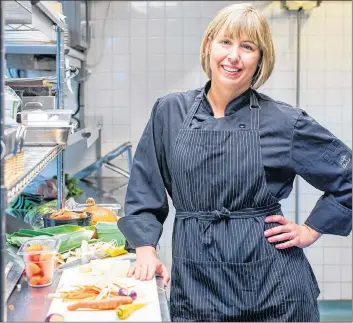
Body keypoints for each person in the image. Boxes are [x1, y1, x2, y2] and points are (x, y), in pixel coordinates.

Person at [118, 3, 352, 322]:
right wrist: (145, 247)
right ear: (209, 45)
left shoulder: (285, 121)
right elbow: (145, 187)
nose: (233, 56)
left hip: (274, 290)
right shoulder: (169, 112)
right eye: (226, 42)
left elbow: (347, 176)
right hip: (197, 284)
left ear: (260, 58)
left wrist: (311, 229)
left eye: (247, 46)